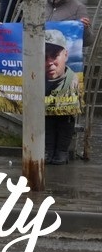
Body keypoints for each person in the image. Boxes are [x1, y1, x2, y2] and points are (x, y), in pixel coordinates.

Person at [45, 29, 82, 165]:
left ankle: (62, 151)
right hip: (46, 109)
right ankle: (48, 149)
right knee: (47, 120)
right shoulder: (37, 78)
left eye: (54, 56)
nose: (50, 62)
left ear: (65, 55)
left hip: (65, 112)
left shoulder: (73, 80)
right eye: (45, 57)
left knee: (66, 120)